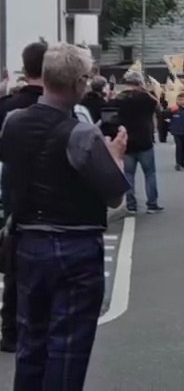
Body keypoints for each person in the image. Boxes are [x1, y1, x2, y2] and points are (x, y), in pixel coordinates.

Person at [0, 42, 130, 389]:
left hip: (27, 239)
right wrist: (115, 157)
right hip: (74, 242)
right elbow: (115, 193)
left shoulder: (12, 121)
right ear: (77, 84)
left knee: (31, 341)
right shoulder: (82, 133)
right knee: (67, 346)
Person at [0, 41, 46, 353]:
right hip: (51, 197)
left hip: (13, 191)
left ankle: (10, 330)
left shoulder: (6, 106)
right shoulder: (58, 105)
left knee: (15, 265)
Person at [115, 71, 164, 214]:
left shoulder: (120, 98)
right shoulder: (147, 99)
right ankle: (152, 204)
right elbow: (159, 108)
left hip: (127, 140)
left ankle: (131, 206)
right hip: (145, 140)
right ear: (140, 83)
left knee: (129, 174)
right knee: (150, 173)